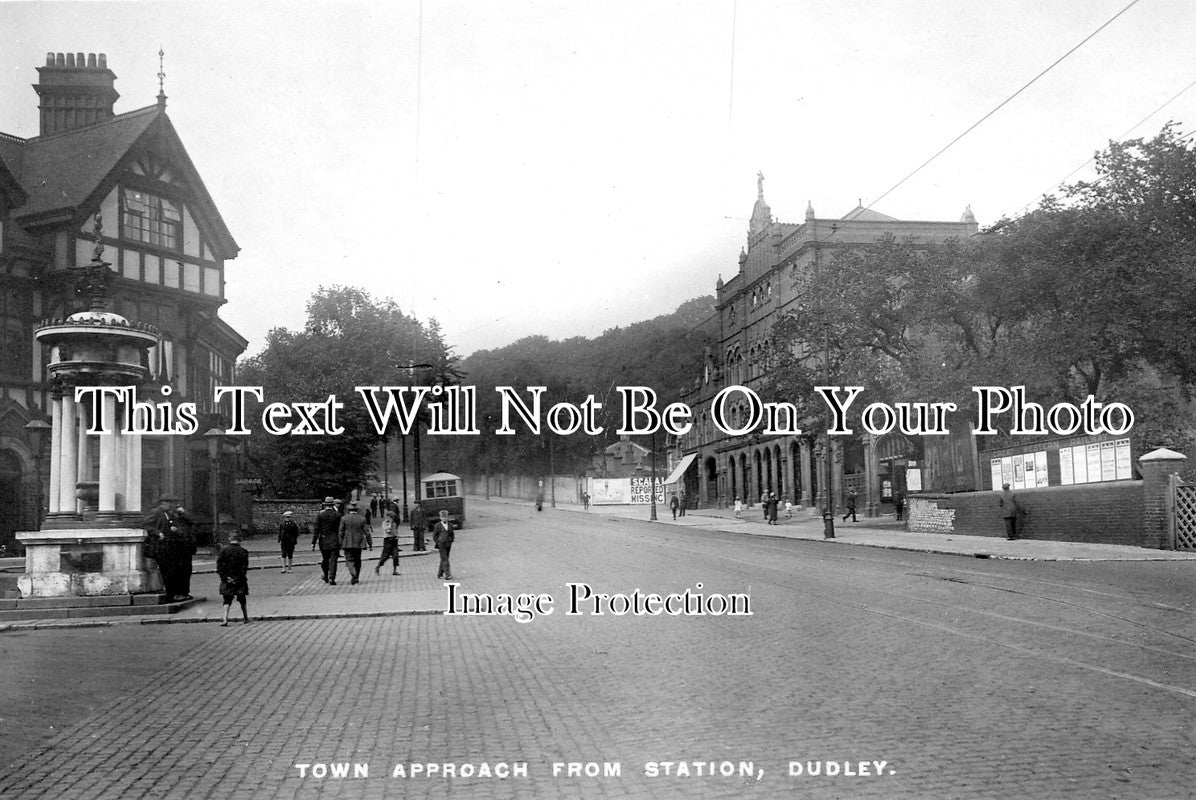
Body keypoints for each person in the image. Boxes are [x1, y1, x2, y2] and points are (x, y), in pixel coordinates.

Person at [144, 496, 190, 601]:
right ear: (164, 503)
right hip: (161, 546)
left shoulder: (170, 514)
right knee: (167, 571)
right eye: (170, 503)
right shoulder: (156, 512)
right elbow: (147, 524)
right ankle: (171, 595)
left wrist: (176, 530)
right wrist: (158, 532)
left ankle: (175, 594)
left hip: (171, 547)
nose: (172, 505)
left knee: (173, 571)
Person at [216, 532, 250, 626]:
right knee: (242, 598)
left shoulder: (224, 551)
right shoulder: (243, 551)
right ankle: (246, 618)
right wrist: (238, 578)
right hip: (239, 579)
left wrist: (225, 577)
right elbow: (244, 567)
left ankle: (225, 618)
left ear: (229, 539)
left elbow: (219, 566)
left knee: (227, 599)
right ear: (239, 540)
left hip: (227, 579)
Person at [339, 502, 373, 585]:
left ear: (349, 510)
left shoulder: (344, 518)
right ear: (357, 510)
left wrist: (340, 543)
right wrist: (370, 543)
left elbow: (341, 532)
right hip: (359, 542)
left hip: (347, 542)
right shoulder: (362, 518)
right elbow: (367, 532)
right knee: (358, 560)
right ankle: (356, 577)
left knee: (349, 559)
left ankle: (353, 573)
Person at [311, 497, 341, 585]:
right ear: (332, 505)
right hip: (334, 540)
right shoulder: (337, 515)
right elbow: (340, 529)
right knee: (333, 560)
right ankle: (331, 578)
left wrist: (313, 542)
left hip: (323, 540)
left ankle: (325, 574)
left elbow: (316, 530)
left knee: (325, 559)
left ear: (325, 505)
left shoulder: (320, 515)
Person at [173, 505, 197, 598]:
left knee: (186, 571)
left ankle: (185, 592)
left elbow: (192, 520)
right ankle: (180, 593)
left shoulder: (184, 517)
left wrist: (183, 513)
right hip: (179, 547)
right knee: (180, 571)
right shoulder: (172, 517)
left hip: (186, 547)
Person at [375, 510, 401, 576]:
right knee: (385, 556)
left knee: (395, 555)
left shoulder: (394, 523)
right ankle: (378, 567)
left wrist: (397, 536)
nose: (391, 518)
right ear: (388, 517)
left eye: (392, 517)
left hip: (394, 540)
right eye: (390, 517)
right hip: (387, 540)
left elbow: (395, 531)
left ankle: (395, 570)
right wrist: (389, 525)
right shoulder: (384, 523)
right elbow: (387, 530)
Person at [433, 509, 455, 580]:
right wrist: (438, 542)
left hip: (448, 544)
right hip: (441, 544)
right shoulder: (437, 526)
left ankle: (440, 573)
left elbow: (452, 534)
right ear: (440, 518)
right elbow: (435, 536)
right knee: (445, 559)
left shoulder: (450, 525)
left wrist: (451, 540)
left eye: (445, 517)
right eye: (443, 518)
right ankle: (447, 574)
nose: (444, 519)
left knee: (445, 558)